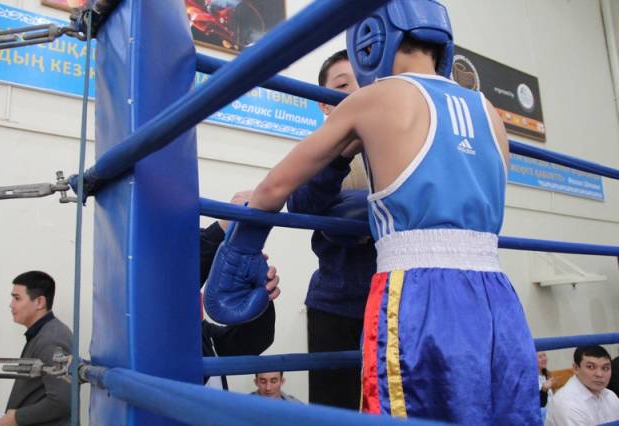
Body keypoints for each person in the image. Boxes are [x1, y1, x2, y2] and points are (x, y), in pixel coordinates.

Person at [204, 1, 540, 423]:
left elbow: (274, 188)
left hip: (414, 292)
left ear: (369, 40)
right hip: (495, 293)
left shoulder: (375, 99)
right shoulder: (488, 111)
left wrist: (242, 248)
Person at [287, 49, 375, 410]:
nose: (355, 90)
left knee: (393, 405)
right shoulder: (315, 148)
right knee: (332, 410)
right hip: (334, 302)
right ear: (325, 104)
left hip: (392, 298)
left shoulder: (395, 141)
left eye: (363, 81)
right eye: (342, 85)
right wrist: (340, 154)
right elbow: (299, 205)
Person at [200, 191, 279, 389]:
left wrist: (256, 291)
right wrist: (225, 226)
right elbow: (178, 274)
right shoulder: (149, 330)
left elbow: (252, 343)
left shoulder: (204, 335)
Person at [0, 271, 72, 426]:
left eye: (17, 298)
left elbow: (61, 402)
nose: (11, 304)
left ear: (39, 302)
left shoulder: (51, 339)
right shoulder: (42, 333)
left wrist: (16, 418)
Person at [545, 346, 619, 426]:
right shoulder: (566, 403)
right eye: (591, 367)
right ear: (575, 368)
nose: (599, 374)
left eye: (605, 368)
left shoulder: (611, 396)